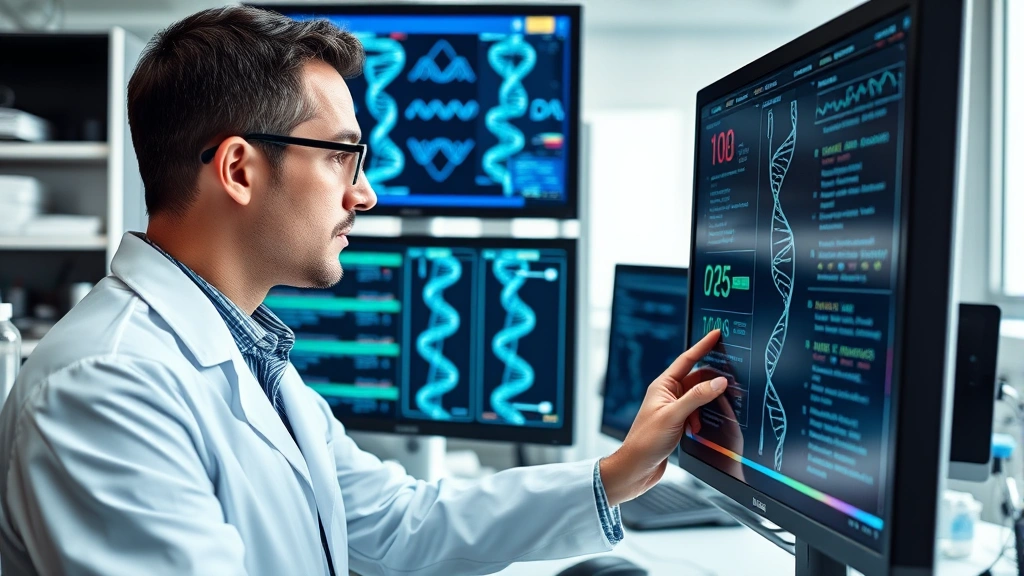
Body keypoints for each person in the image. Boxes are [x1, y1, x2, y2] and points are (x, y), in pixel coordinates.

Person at [0, 7, 728, 576]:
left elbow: (391, 523)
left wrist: (618, 471)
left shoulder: (243, 349)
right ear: (240, 170)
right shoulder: (106, 387)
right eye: (344, 156)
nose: (367, 193)